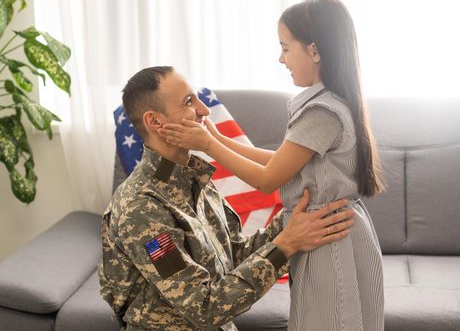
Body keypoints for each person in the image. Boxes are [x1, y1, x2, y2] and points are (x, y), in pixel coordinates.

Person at [159, 0, 385, 331]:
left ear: (315, 51)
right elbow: (283, 162)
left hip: (328, 238)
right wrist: (217, 139)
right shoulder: (329, 103)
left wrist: (207, 144)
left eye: (285, 48)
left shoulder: (321, 112)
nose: (281, 59)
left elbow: (268, 179)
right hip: (332, 233)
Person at [98, 65, 356, 331]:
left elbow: (233, 256)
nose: (204, 110)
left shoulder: (193, 179)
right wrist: (285, 246)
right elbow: (203, 307)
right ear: (154, 122)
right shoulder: (141, 208)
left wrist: (292, 220)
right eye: (189, 102)